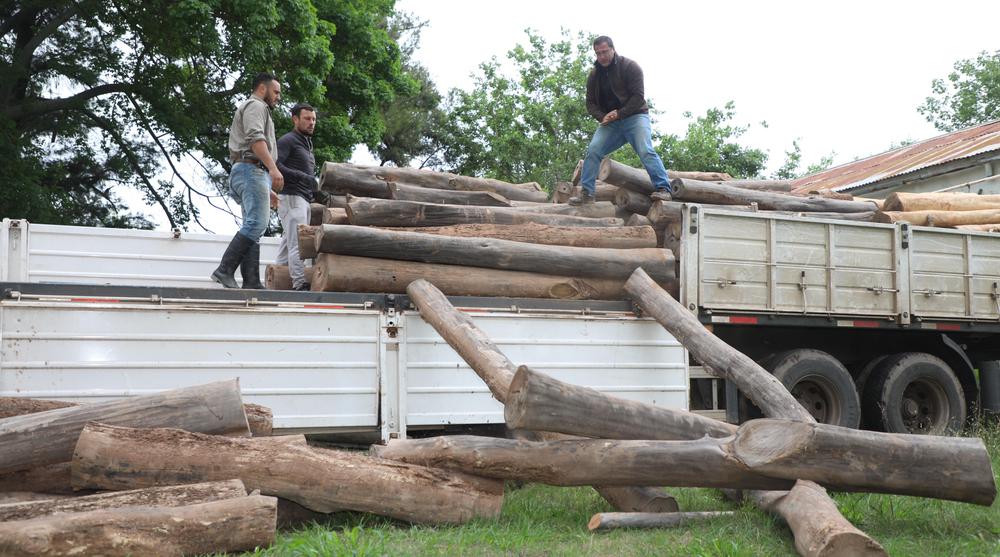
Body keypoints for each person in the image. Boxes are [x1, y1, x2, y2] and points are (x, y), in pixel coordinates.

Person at [570, 36, 673, 205]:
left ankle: (664, 189)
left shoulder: (630, 67)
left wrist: (619, 113)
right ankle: (587, 194)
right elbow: (590, 103)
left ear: (613, 49)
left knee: (645, 150)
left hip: (635, 116)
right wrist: (602, 117)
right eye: (598, 53)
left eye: (604, 52)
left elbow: (638, 98)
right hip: (611, 122)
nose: (601, 56)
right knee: (593, 150)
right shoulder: (594, 75)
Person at [212, 72, 284, 289]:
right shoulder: (256, 106)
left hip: (250, 172)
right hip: (251, 169)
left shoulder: (256, 108)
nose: (278, 97)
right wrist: (272, 169)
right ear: (262, 89)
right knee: (256, 223)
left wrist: (267, 185)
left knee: (254, 224)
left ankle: (251, 280)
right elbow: (256, 139)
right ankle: (224, 269)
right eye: (276, 91)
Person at [274, 102, 317, 291]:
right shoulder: (288, 140)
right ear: (295, 119)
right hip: (291, 196)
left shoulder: (306, 143)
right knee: (298, 241)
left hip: (303, 198)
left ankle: (278, 276)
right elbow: (275, 166)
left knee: (288, 241)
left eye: (314, 119)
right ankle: (299, 283)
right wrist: (303, 177)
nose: (311, 122)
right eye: (307, 118)